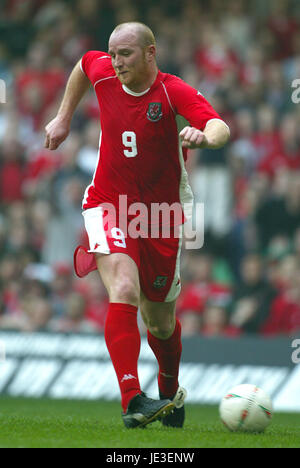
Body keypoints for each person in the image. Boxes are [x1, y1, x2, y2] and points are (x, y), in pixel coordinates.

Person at [44, 22, 230, 428]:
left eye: (125, 53)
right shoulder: (103, 71)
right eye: (112, 53)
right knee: (124, 287)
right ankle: (131, 399)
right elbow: (82, 64)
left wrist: (205, 138)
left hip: (161, 216)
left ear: (150, 52)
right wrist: (63, 118)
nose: (116, 62)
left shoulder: (171, 90)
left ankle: (169, 390)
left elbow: (220, 126)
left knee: (160, 321)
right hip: (108, 203)